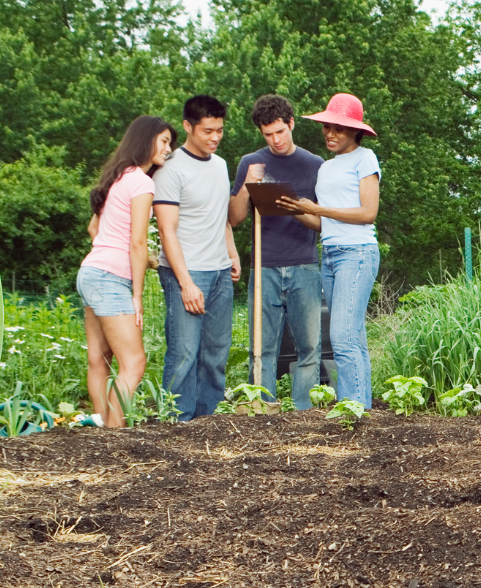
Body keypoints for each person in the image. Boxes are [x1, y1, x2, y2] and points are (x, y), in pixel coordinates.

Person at [277, 93, 380, 408]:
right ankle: (361, 408)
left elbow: (367, 213)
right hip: (332, 254)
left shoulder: (366, 159)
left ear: (355, 131)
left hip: (358, 253)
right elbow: (324, 224)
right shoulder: (326, 168)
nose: (330, 134)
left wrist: (319, 208)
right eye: (326, 127)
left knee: (342, 338)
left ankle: (352, 410)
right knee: (354, 338)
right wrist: (293, 208)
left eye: (339, 129)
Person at [228, 94, 325, 408]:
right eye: (268, 135)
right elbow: (235, 217)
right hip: (265, 265)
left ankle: (302, 412)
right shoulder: (250, 163)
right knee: (262, 347)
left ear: (291, 124)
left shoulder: (315, 165)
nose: (276, 140)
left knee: (310, 347)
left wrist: (294, 208)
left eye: (280, 132)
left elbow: (323, 223)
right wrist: (247, 185)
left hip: (305, 265)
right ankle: (264, 411)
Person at [77, 115, 175, 427]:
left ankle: (103, 430)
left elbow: (95, 228)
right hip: (111, 279)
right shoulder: (142, 182)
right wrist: (136, 295)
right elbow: (136, 242)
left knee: (99, 359)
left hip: (91, 271)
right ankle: (114, 434)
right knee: (134, 362)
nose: (168, 149)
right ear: (145, 140)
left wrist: (128, 256)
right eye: (163, 141)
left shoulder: (117, 177)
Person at [153, 95, 242, 420]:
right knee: (184, 353)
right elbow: (167, 232)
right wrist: (186, 283)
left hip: (219, 272)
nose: (215, 137)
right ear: (188, 127)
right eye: (207, 131)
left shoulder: (219, 164)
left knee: (217, 353)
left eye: (219, 130)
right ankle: (177, 421)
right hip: (186, 273)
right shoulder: (170, 168)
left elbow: (220, 218)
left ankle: (208, 421)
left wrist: (231, 253)